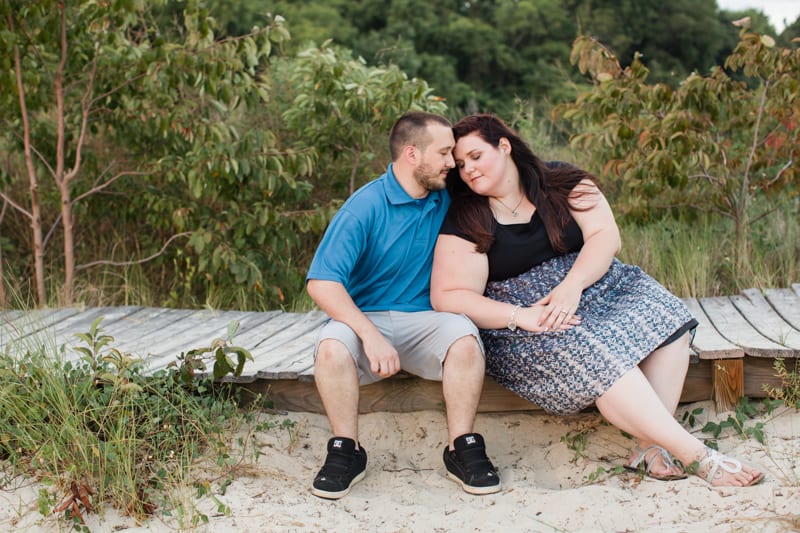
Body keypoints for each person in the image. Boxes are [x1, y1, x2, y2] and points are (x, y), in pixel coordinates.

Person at [430, 114, 764, 487]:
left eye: (476, 156)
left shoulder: (561, 181)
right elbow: (448, 295)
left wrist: (573, 285)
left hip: (594, 286)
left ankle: (649, 448)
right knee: (595, 354)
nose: (468, 170)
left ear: (504, 146)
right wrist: (520, 316)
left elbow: (605, 235)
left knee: (667, 315)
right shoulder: (467, 217)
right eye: (460, 165)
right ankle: (700, 457)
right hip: (528, 317)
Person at [305, 111, 501, 500]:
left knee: (464, 337)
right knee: (330, 349)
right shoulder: (364, 207)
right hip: (365, 318)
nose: (452, 163)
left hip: (426, 318)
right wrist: (370, 335)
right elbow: (322, 283)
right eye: (445, 153)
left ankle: (461, 447)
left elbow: (498, 181)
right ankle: (346, 450)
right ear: (412, 154)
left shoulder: (447, 196)